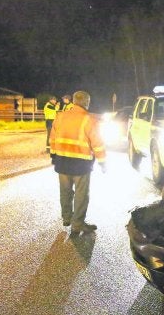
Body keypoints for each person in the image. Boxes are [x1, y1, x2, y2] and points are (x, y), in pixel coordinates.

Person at [49, 91, 107, 234]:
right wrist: (103, 162)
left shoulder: (60, 116)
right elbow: (97, 143)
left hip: (62, 161)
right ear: (87, 102)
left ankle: (67, 217)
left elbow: (52, 139)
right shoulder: (90, 119)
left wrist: (53, 156)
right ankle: (78, 224)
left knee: (65, 191)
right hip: (81, 165)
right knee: (81, 195)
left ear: (74, 101)